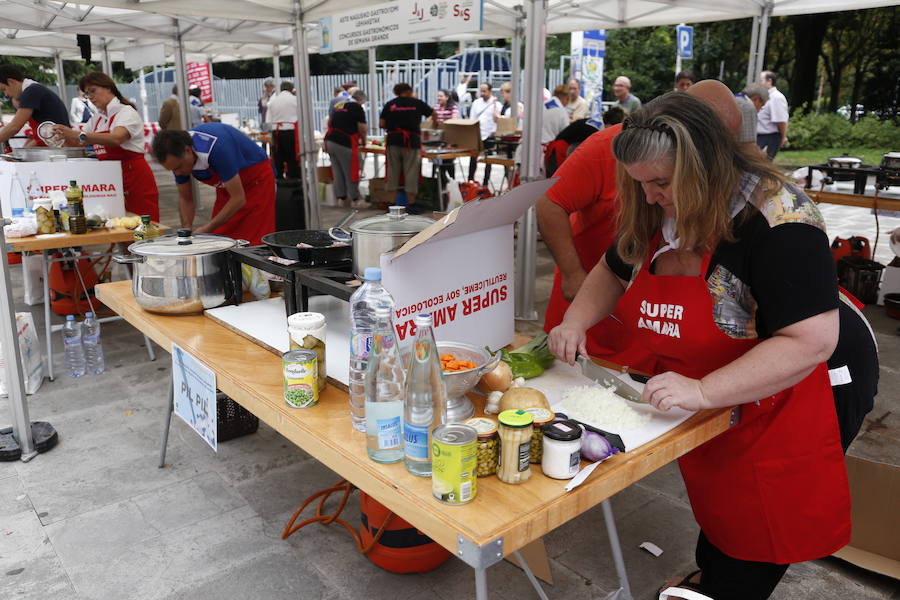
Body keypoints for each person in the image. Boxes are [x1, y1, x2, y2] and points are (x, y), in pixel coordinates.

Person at [548, 91, 850, 600]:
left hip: (772, 409)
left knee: (756, 543)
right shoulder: (654, 210)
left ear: (706, 168)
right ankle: (707, 575)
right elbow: (614, 267)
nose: (648, 197)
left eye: (661, 183)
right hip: (703, 405)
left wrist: (707, 390)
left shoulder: (781, 223)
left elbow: (811, 339)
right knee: (718, 517)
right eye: (640, 184)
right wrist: (576, 320)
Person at [52, 72, 159, 221]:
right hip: (110, 180)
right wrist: (62, 137)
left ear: (108, 88)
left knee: (143, 227)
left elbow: (117, 138)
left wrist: (77, 134)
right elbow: (78, 143)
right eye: (87, 94)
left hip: (134, 177)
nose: (90, 97)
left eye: (93, 90)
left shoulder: (126, 112)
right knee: (116, 226)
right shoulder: (96, 120)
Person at [151, 124, 275, 246]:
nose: (178, 173)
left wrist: (206, 228)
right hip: (227, 186)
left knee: (253, 241)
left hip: (255, 181)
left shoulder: (217, 148)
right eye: (173, 170)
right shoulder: (178, 159)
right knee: (220, 238)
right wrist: (186, 232)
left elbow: (238, 199)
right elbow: (185, 198)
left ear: (187, 150)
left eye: (178, 168)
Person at [379, 82, 432, 210]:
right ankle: (411, 204)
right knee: (411, 172)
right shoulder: (417, 103)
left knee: (392, 172)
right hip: (411, 142)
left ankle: (392, 204)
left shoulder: (390, 104)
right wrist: (430, 125)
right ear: (408, 91)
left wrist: (394, 126)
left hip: (393, 141)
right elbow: (432, 114)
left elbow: (381, 124)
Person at [0, 64, 70, 147]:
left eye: (4, 89)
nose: (6, 94)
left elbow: (14, 127)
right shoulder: (34, 89)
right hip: (54, 142)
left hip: (60, 144)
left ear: (11, 81)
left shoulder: (31, 91)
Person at [326, 88, 368, 208]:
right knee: (351, 171)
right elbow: (362, 128)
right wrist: (364, 141)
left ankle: (342, 198)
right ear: (360, 100)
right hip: (344, 142)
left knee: (337, 171)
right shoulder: (357, 107)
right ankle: (356, 199)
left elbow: (330, 121)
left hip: (331, 141)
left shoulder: (340, 104)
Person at [265, 81, 300, 179]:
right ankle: (293, 180)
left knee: (278, 158)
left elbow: (268, 121)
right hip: (290, 131)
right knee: (291, 158)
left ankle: (279, 180)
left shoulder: (273, 101)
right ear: (291, 89)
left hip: (276, 132)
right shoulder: (295, 100)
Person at [468, 82, 498, 184]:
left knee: (488, 160)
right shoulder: (476, 103)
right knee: (473, 158)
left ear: (490, 91)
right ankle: (470, 180)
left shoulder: (496, 104)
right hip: (477, 134)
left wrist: (493, 132)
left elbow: (496, 120)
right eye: (481, 91)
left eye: (484, 91)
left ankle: (486, 182)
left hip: (489, 135)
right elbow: (472, 118)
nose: (482, 93)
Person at [756, 71, 789, 160]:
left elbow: (781, 121)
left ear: (769, 81)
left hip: (769, 137)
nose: (758, 83)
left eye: (761, 80)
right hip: (760, 136)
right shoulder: (764, 96)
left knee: (762, 166)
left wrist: (783, 137)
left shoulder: (776, 97)